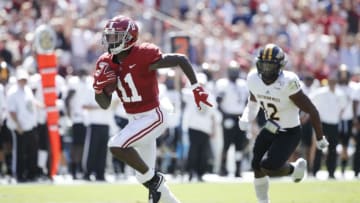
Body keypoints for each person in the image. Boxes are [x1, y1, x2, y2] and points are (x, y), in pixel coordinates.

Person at [92, 15, 212, 203]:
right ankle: (165, 194)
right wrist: (99, 88)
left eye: (115, 36)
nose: (110, 41)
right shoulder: (106, 62)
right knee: (142, 176)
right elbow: (104, 104)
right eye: (109, 36)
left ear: (129, 37)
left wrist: (196, 87)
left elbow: (180, 59)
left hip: (153, 115)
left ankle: (156, 179)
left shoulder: (143, 55)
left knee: (116, 145)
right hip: (134, 119)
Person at [238, 44, 329, 203]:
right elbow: (253, 104)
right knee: (256, 166)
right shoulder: (253, 78)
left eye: (270, 65)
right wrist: (246, 117)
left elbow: (312, 110)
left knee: (267, 166)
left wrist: (320, 137)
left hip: (289, 131)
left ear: (279, 66)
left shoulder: (288, 82)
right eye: (263, 65)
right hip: (270, 128)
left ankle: (294, 170)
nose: (265, 70)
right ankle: (263, 201)